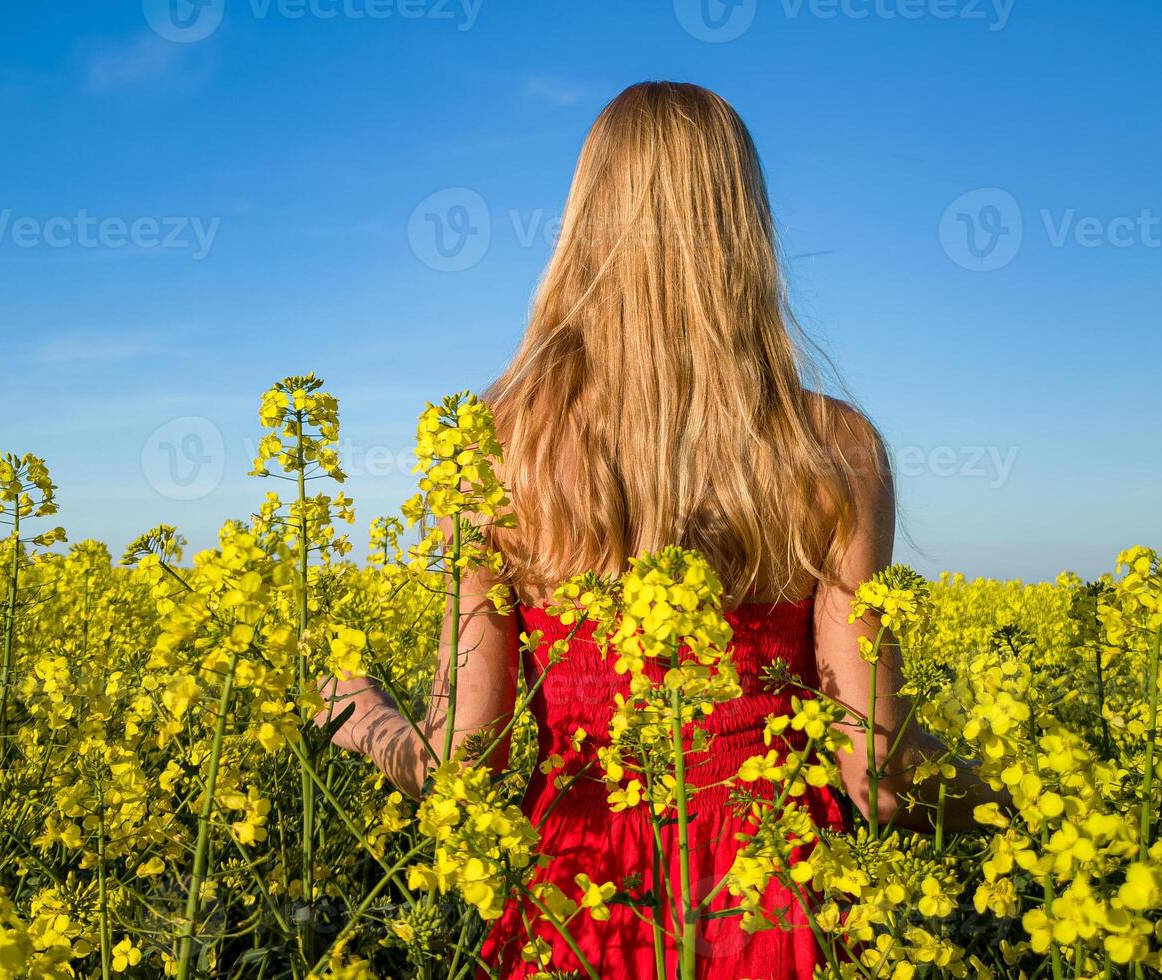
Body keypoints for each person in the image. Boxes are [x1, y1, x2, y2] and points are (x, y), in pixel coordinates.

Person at [318, 80, 1001, 979]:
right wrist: (1018, 804)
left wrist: (356, 713)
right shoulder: (833, 447)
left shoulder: (496, 450)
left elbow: (462, 760)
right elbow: (876, 764)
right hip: (779, 899)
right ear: (744, 227)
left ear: (581, 224)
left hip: (585, 897)